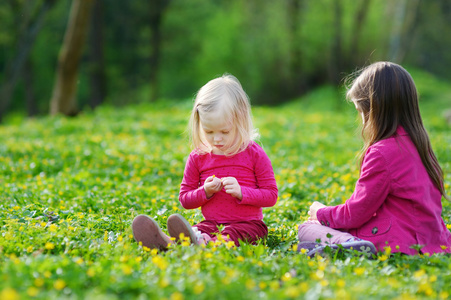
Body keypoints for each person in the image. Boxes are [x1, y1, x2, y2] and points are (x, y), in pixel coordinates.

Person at [298, 62, 451, 257]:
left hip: (396, 242)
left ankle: (351, 244)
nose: (361, 120)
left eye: (360, 111)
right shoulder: (421, 146)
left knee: (306, 229)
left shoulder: (382, 152)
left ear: (374, 110)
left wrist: (320, 212)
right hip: (434, 241)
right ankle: (341, 245)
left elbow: (355, 213)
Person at [132, 74, 278, 250]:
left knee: (230, 234)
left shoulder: (254, 154)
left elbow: (271, 196)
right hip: (211, 223)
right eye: (209, 132)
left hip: (249, 225)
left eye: (225, 131)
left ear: (241, 121)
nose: (217, 139)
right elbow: (185, 199)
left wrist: (242, 192)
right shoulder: (198, 157)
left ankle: (196, 245)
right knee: (200, 230)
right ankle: (175, 242)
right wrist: (205, 192)